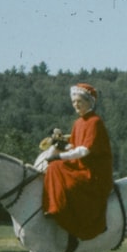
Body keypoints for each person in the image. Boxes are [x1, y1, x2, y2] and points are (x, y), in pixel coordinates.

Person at [42, 83, 114, 240]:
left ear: (89, 102)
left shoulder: (95, 122)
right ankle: (54, 207)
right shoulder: (78, 123)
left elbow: (84, 150)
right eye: (74, 102)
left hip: (94, 171)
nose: (76, 105)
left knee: (56, 166)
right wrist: (60, 145)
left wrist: (59, 156)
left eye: (79, 101)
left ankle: (60, 209)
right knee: (53, 167)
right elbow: (74, 147)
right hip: (81, 165)